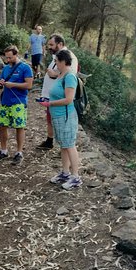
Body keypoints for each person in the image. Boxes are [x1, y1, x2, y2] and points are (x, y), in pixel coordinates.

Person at [38, 49, 82, 190]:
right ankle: (65, 172)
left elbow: (69, 99)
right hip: (58, 115)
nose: (55, 64)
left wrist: (49, 103)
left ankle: (75, 177)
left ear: (63, 61)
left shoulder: (69, 76)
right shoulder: (61, 74)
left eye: (56, 61)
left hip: (66, 116)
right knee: (63, 144)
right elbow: (58, 93)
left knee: (69, 144)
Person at [0, 45, 33, 165]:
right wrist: (0, 84)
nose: (8, 60)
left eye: (10, 58)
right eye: (6, 58)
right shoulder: (5, 69)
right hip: (5, 101)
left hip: (19, 102)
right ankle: (3, 150)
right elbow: (0, 84)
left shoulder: (25, 68)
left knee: (19, 127)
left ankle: (19, 153)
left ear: (16, 55)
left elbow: (29, 85)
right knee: (2, 126)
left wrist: (13, 85)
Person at [37, 33, 78, 150]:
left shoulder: (70, 57)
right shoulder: (57, 55)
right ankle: (50, 140)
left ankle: (64, 146)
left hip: (60, 99)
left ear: (60, 44)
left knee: (58, 121)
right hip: (52, 96)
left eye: (52, 44)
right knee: (50, 119)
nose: (49, 47)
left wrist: (54, 74)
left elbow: (71, 75)